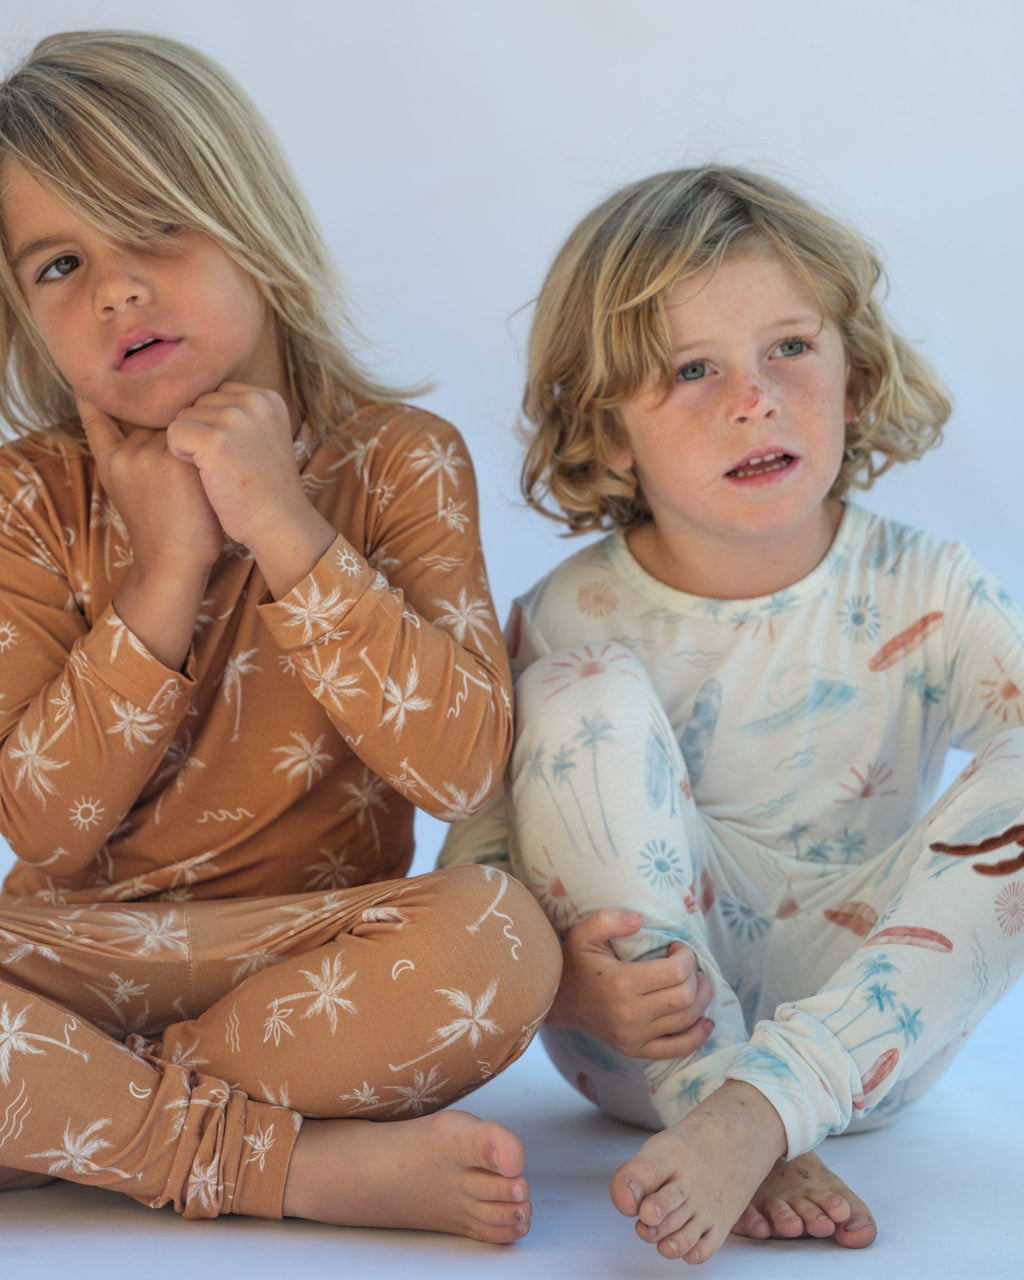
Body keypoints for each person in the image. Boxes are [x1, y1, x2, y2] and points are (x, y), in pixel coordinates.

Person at [0, 29, 561, 1242]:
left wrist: (285, 525)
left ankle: (81, 1114)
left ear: (249, 218)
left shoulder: (397, 460)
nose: (115, 288)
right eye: (58, 261)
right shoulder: (30, 498)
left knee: (502, 940)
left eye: (155, 225)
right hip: (73, 954)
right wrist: (168, 567)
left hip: (309, 959)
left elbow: (461, 768)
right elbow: (42, 824)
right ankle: (292, 1168)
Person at [440, 164, 1024, 1264]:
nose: (751, 398)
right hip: (645, 1028)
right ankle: (713, 1091)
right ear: (608, 432)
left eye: (789, 349)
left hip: (875, 1027)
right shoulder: (565, 612)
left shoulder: (927, 585)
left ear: (854, 370)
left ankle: (759, 1109)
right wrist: (568, 983)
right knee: (580, 687)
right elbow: (473, 873)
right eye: (690, 369)